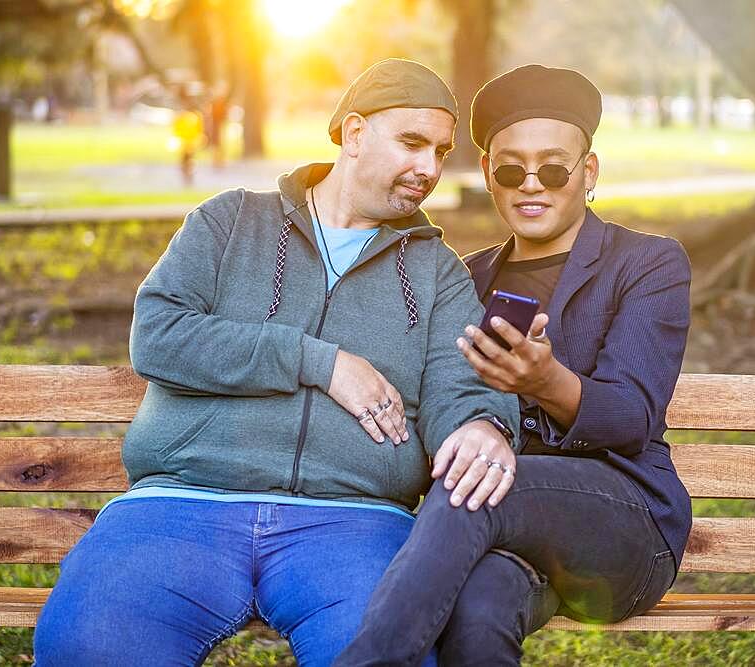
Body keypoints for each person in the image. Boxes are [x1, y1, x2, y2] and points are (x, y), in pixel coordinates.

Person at [33, 59, 520, 667]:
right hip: (182, 506)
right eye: (412, 143)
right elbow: (158, 335)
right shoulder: (230, 221)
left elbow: (463, 384)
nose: (429, 168)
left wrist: (481, 423)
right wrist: (319, 361)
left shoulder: (436, 271)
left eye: (441, 151)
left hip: (355, 523)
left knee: (391, 657)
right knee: (89, 648)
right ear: (354, 133)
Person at [336, 64, 693, 666]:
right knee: (478, 612)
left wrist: (546, 382)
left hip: (623, 528)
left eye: (554, 168)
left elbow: (633, 417)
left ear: (589, 173)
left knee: (475, 481)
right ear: (488, 176)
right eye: (510, 168)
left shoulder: (646, 265)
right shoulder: (462, 279)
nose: (532, 184)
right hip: (506, 544)